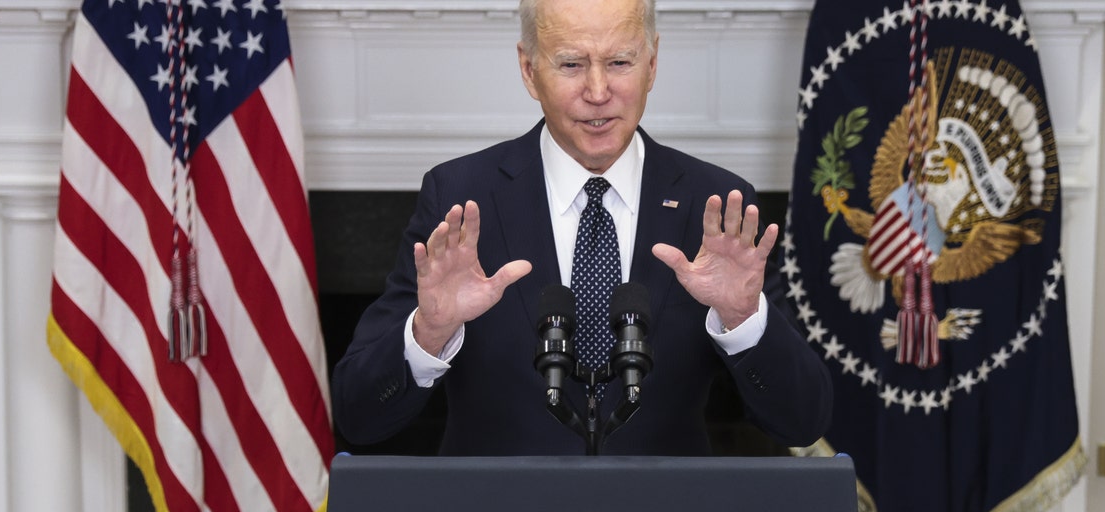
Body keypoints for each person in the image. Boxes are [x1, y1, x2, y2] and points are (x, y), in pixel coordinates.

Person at [331, 0, 831, 456]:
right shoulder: (460, 199)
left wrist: (744, 319)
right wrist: (429, 332)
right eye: (571, 64)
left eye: (619, 62)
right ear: (529, 71)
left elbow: (803, 421)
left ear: (652, 64)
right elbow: (360, 416)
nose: (598, 92)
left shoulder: (719, 207)